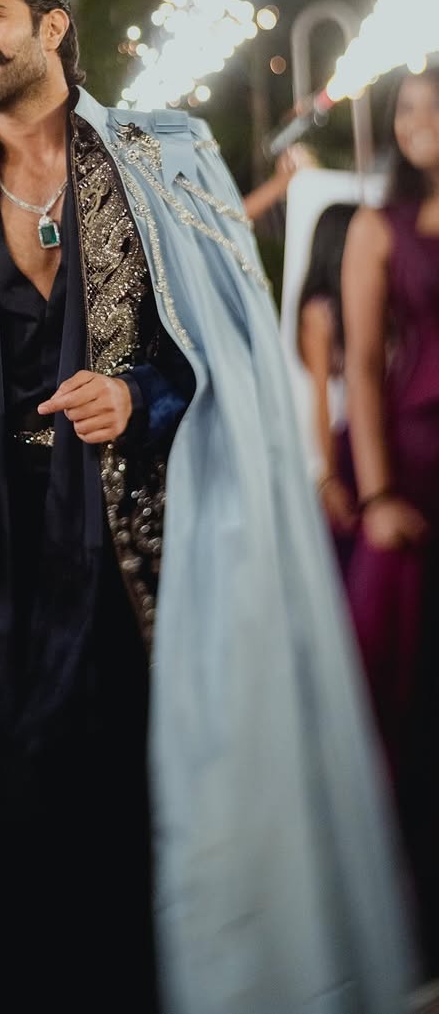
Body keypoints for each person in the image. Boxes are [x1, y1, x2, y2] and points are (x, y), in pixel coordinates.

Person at [0, 0, 414, 1013]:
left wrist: (137, 395)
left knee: (121, 778)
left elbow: (229, 355)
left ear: (52, 26)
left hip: (138, 545)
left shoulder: (167, 155)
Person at [342, 63, 439, 972]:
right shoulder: (377, 227)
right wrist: (375, 494)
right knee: (402, 696)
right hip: (412, 471)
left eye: (434, 105)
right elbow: (363, 368)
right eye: (407, 107)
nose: (418, 119)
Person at [296, 201, 358, 573]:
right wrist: (328, 475)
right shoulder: (319, 313)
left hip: (347, 435)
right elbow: (321, 399)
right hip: (330, 441)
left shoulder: (352, 304)